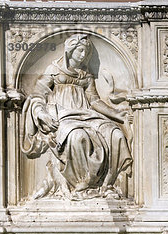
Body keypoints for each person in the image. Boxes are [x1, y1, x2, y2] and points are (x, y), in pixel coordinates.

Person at [21, 33, 132, 200]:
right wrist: (40, 112)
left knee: (115, 134)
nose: (83, 55)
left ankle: (107, 184)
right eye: (80, 50)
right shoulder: (54, 70)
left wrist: (117, 114)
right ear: (70, 50)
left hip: (87, 114)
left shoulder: (85, 75)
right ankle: (82, 185)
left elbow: (94, 101)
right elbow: (38, 94)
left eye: (85, 52)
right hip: (63, 116)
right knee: (77, 136)